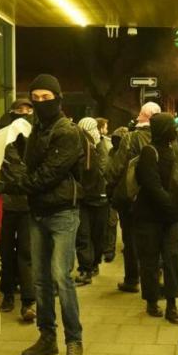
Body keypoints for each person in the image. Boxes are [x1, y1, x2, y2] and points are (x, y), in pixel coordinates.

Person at [14, 74, 85, 355]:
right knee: (40, 279)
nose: (42, 103)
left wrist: (18, 183)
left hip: (62, 213)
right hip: (38, 212)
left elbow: (49, 172)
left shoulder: (67, 132)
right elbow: (30, 167)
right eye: (36, 98)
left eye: (47, 97)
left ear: (58, 98)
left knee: (60, 277)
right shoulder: (35, 130)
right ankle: (47, 337)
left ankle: (74, 341)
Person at [106, 102, 162, 293]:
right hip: (155, 198)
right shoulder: (164, 139)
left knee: (130, 240)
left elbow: (115, 169)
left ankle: (132, 279)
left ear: (141, 116)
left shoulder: (130, 138)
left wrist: (111, 188)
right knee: (154, 239)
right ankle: (155, 277)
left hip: (131, 199)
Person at [134, 113, 178, 323]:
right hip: (149, 218)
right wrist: (174, 208)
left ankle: (172, 303)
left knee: (173, 260)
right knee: (150, 260)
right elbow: (152, 186)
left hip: (169, 219)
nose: (175, 130)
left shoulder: (173, 150)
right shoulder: (149, 151)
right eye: (171, 126)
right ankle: (152, 300)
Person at [0, 117, 37, 320]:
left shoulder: (35, 144)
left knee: (25, 254)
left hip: (26, 207)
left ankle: (27, 300)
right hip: (7, 207)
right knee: (6, 253)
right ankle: (9, 294)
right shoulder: (0, 145)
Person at [75, 117, 110, 285]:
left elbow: (108, 169)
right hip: (83, 198)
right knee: (83, 235)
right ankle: (85, 268)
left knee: (98, 235)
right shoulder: (77, 147)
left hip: (101, 197)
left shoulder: (104, 146)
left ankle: (94, 262)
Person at [103, 127, 129, 263]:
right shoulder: (113, 152)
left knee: (121, 222)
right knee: (112, 222)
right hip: (115, 191)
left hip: (121, 192)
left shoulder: (120, 153)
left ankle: (122, 246)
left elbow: (113, 170)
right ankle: (110, 250)